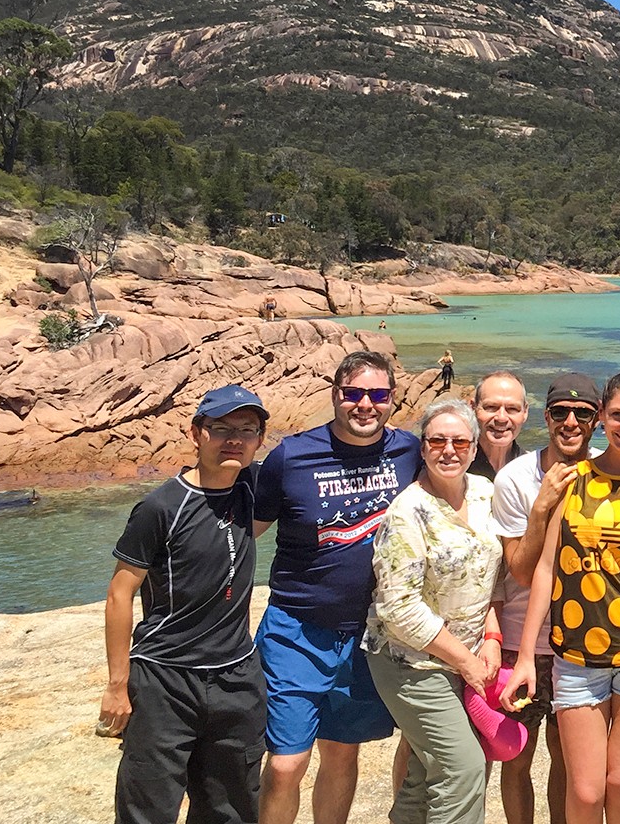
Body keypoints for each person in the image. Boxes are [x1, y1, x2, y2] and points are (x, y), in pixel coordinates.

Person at [501, 371, 620, 824]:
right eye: (618, 416)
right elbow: (544, 570)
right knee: (585, 792)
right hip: (576, 660)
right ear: (602, 417)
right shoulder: (574, 479)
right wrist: (526, 656)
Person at [254, 351, 420, 824]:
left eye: (378, 395)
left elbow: (467, 463)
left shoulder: (409, 451)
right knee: (286, 763)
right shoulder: (290, 457)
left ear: (392, 400)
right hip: (297, 632)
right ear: (335, 396)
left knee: (343, 755)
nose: (365, 404)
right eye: (353, 394)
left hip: (369, 637)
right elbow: (244, 530)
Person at [101, 385, 269, 824]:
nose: (234, 439)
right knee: (148, 807)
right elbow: (121, 592)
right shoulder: (161, 507)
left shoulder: (250, 487)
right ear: (196, 433)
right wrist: (118, 685)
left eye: (247, 430)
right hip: (165, 679)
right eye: (221, 429)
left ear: (259, 440)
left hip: (236, 676)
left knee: (231, 807)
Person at [365, 399, 504, 824]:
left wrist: (492, 640)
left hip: (464, 658)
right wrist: (466, 662)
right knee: (462, 769)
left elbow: (491, 578)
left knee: (427, 773)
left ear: (474, 447)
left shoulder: (485, 492)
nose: (449, 450)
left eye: (460, 440)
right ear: (422, 448)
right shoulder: (406, 512)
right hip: (411, 663)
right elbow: (398, 607)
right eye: (437, 440)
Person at [491, 372, 607, 824]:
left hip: (582, 643)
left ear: (597, 420)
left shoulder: (606, 471)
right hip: (523, 644)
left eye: (583, 413)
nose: (571, 422)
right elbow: (520, 570)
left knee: (568, 760)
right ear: (546, 417)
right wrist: (542, 505)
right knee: (517, 757)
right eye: (561, 412)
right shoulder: (515, 479)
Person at [469, 370, 531, 481]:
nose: (501, 418)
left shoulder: (533, 471)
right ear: (473, 408)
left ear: (525, 412)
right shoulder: (456, 467)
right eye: (491, 407)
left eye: (512, 409)